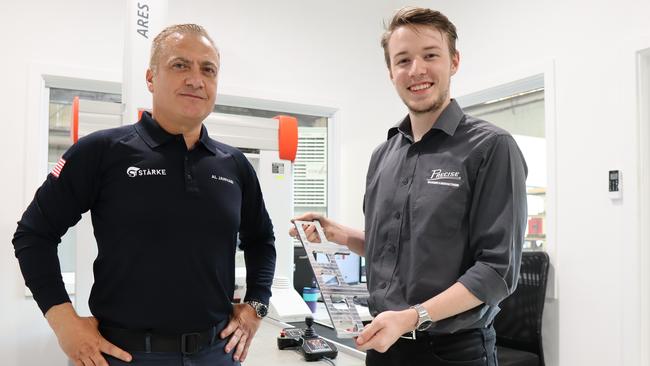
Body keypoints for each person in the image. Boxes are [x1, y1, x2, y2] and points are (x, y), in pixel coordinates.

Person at [12, 24, 276, 366]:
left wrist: (256, 305)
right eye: (181, 65)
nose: (196, 79)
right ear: (151, 78)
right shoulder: (102, 152)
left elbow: (262, 240)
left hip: (217, 353)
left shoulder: (234, 165)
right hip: (125, 354)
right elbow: (34, 234)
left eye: (208, 69)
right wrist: (64, 323)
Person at [290, 7, 527, 366]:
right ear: (391, 72)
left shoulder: (491, 147)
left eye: (430, 55)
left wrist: (413, 316)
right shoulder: (383, 155)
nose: (416, 70)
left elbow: (496, 271)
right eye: (403, 60)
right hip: (385, 346)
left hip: (454, 353)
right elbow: (396, 252)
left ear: (454, 62)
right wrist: (339, 234)